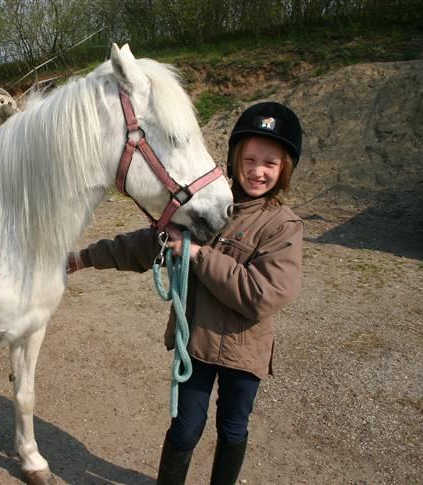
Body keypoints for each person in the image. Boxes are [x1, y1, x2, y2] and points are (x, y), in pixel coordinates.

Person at [67, 101, 304, 484]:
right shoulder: (206, 209)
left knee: (232, 430)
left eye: (270, 163)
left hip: (245, 355)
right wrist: (83, 258)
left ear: (284, 170)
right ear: (233, 159)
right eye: (250, 159)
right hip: (196, 346)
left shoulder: (283, 226)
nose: (257, 171)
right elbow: (146, 246)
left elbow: (262, 294)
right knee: (184, 430)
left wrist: (197, 255)